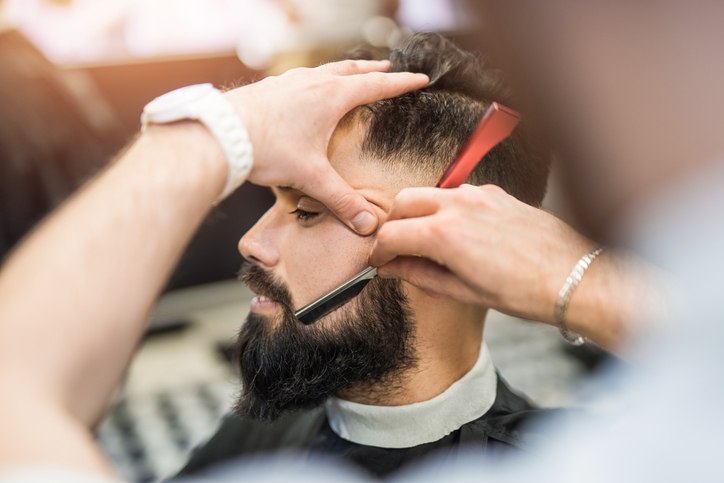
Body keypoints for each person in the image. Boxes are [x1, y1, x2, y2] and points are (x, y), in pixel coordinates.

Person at [178, 33, 553, 479]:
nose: (251, 242)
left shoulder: (567, 463)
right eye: (274, 203)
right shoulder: (265, 427)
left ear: (444, 249)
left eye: (306, 211)